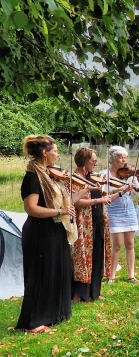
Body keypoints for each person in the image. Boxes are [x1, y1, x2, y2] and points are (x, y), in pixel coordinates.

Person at [16, 135, 85, 333]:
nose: (57, 154)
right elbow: (31, 208)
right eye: (55, 151)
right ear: (45, 153)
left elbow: (63, 202)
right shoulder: (33, 177)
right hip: (39, 232)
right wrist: (60, 212)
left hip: (54, 230)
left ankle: (53, 314)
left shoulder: (48, 175)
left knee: (55, 273)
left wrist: (68, 205)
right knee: (40, 275)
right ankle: (33, 322)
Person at [101, 146, 139, 284]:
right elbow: (104, 193)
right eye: (121, 157)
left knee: (130, 245)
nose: (124, 160)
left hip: (129, 212)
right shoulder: (104, 174)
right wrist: (123, 188)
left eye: (124, 157)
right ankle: (111, 276)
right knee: (117, 245)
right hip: (113, 212)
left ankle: (131, 275)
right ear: (113, 159)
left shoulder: (130, 176)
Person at [71, 147, 112, 303]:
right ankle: (79, 294)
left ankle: (94, 292)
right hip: (84, 223)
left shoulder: (92, 178)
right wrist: (98, 200)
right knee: (82, 257)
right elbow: (76, 202)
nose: (95, 163)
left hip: (98, 221)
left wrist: (120, 191)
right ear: (84, 162)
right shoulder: (75, 179)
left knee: (97, 255)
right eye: (93, 161)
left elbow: (104, 197)